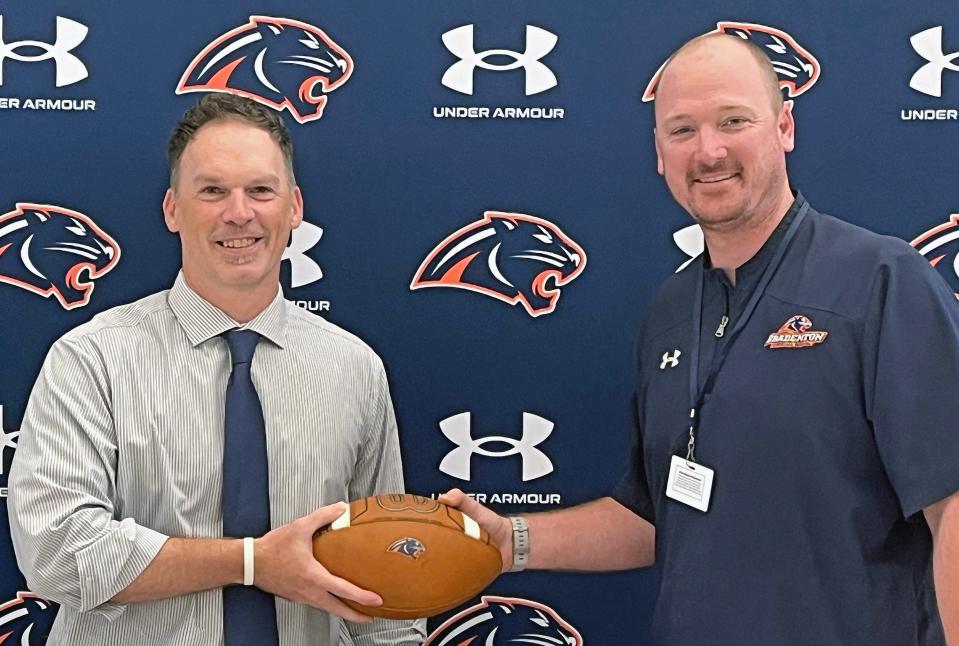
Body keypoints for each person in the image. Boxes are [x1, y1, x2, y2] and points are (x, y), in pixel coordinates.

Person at [443, 33, 959, 645]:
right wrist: (512, 541)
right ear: (659, 152)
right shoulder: (671, 309)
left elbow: (950, 506)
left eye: (733, 121)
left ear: (784, 127)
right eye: (682, 130)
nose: (709, 151)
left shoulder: (881, 281)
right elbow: (655, 519)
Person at [7, 93, 426, 645]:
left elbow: (385, 568)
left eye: (260, 190)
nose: (239, 212)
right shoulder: (92, 359)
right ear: (172, 209)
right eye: (211, 191)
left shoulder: (354, 367)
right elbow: (56, 551)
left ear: (294, 207)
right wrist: (252, 563)